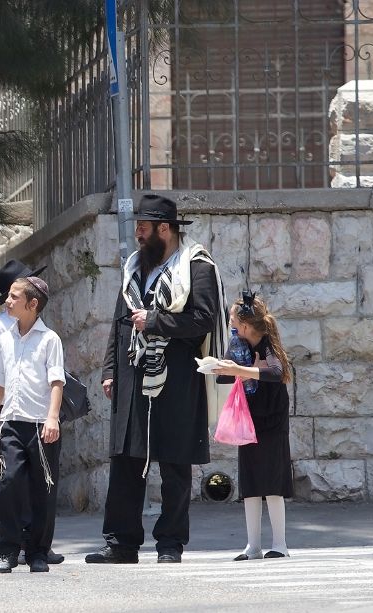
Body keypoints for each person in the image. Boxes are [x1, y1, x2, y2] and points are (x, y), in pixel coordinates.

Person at [85, 193, 227, 565]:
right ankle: (121, 543)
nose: (139, 236)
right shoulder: (135, 266)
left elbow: (203, 320)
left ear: (165, 229)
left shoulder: (197, 266)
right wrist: (110, 370)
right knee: (126, 460)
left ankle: (170, 543)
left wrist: (155, 321)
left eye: (144, 229)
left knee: (174, 463)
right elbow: (120, 322)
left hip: (178, 377)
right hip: (133, 375)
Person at [0, 259, 65, 566]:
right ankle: (7, 549)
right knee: (9, 485)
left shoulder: (50, 340)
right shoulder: (3, 337)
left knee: (42, 491)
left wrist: (52, 417)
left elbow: (56, 382)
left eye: (14, 297)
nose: (7, 302)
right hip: (11, 424)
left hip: (40, 426)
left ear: (32, 304)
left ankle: (37, 552)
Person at [213, 291, 293, 560]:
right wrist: (221, 367)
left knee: (272, 482)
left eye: (234, 321)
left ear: (246, 325)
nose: (232, 326)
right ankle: (253, 545)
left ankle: (280, 544)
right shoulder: (239, 344)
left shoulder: (269, 345)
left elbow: (277, 372)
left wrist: (243, 370)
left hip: (272, 420)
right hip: (249, 419)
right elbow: (226, 377)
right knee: (250, 482)